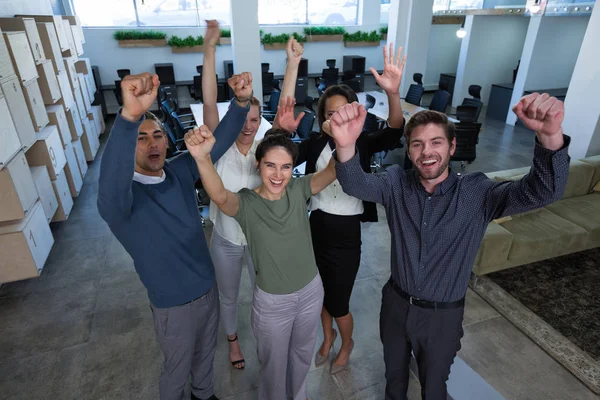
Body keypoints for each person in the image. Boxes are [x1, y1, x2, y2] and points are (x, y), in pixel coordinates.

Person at [329, 94, 570, 399]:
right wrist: (346, 146)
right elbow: (356, 184)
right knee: (394, 379)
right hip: (395, 305)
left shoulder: (478, 193)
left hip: (441, 318)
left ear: (452, 147)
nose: (426, 152)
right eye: (417, 144)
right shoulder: (395, 183)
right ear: (409, 149)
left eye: (436, 142)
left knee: (434, 388)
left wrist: (549, 137)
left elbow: (543, 191)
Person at [97, 70, 254, 400]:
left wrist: (240, 103)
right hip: (173, 307)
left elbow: (218, 142)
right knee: (176, 369)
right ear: (129, 146)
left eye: (157, 135)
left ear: (167, 140)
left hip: (207, 290)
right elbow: (110, 177)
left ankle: (203, 394)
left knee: (204, 358)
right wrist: (129, 117)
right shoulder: (121, 200)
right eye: (141, 138)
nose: (152, 143)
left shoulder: (178, 170)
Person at [274, 39, 407, 373]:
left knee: (340, 299)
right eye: (329, 113)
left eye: (342, 111)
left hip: (346, 233)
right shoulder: (316, 142)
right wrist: (284, 128)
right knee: (319, 294)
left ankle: (347, 342)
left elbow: (393, 132)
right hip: (315, 227)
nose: (336, 118)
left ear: (355, 112)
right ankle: (328, 336)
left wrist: (393, 94)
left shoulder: (361, 141)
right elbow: (282, 153)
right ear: (323, 117)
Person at [183, 123, 338, 400]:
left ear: (293, 168)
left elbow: (332, 171)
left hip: (311, 292)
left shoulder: (299, 188)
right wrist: (202, 158)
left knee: (302, 356)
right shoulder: (247, 204)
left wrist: (344, 139)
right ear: (258, 166)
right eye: (270, 166)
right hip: (273, 304)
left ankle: (298, 395)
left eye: (286, 167)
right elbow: (219, 196)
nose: (278, 175)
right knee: (273, 366)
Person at [201, 19, 262, 370]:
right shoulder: (220, 146)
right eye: (242, 119)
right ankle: (233, 341)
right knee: (227, 296)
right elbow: (210, 100)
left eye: (254, 119)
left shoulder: (265, 151)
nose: (247, 126)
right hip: (224, 238)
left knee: (262, 291)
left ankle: (263, 333)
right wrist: (210, 48)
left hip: (256, 238)